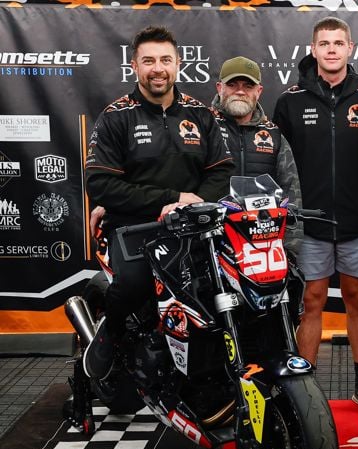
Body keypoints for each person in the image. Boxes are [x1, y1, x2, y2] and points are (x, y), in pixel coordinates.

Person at [82, 26, 234, 380]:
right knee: (134, 284)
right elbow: (100, 184)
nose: (158, 69)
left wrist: (191, 204)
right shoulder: (116, 116)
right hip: (134, 228)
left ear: (178, 64)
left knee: (226, 285)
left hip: (194, 226)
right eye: (148, 61)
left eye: (165, 60)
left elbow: (222, 172)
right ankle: (109, 334)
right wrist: (170, 199)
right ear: (134, 66)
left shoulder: (201, 114)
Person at [273, 17, 358, 412]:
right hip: (309, 225)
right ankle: (307, 390)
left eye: (339, 43)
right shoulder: (290, 101)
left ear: (351, 48)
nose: (332, 49)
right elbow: (276, 164)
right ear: (313, 49)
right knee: (312, 302)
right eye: (325, 43)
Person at [211, 55, 303, 254]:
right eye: (232, 85)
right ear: (219, 88)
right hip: (213, 243)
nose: (240, 91)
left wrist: (291, 248)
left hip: (264, 243)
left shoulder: (273, 134)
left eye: (248, 86)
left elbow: (291, 191)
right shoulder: (204, 126)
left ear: (259, 91)